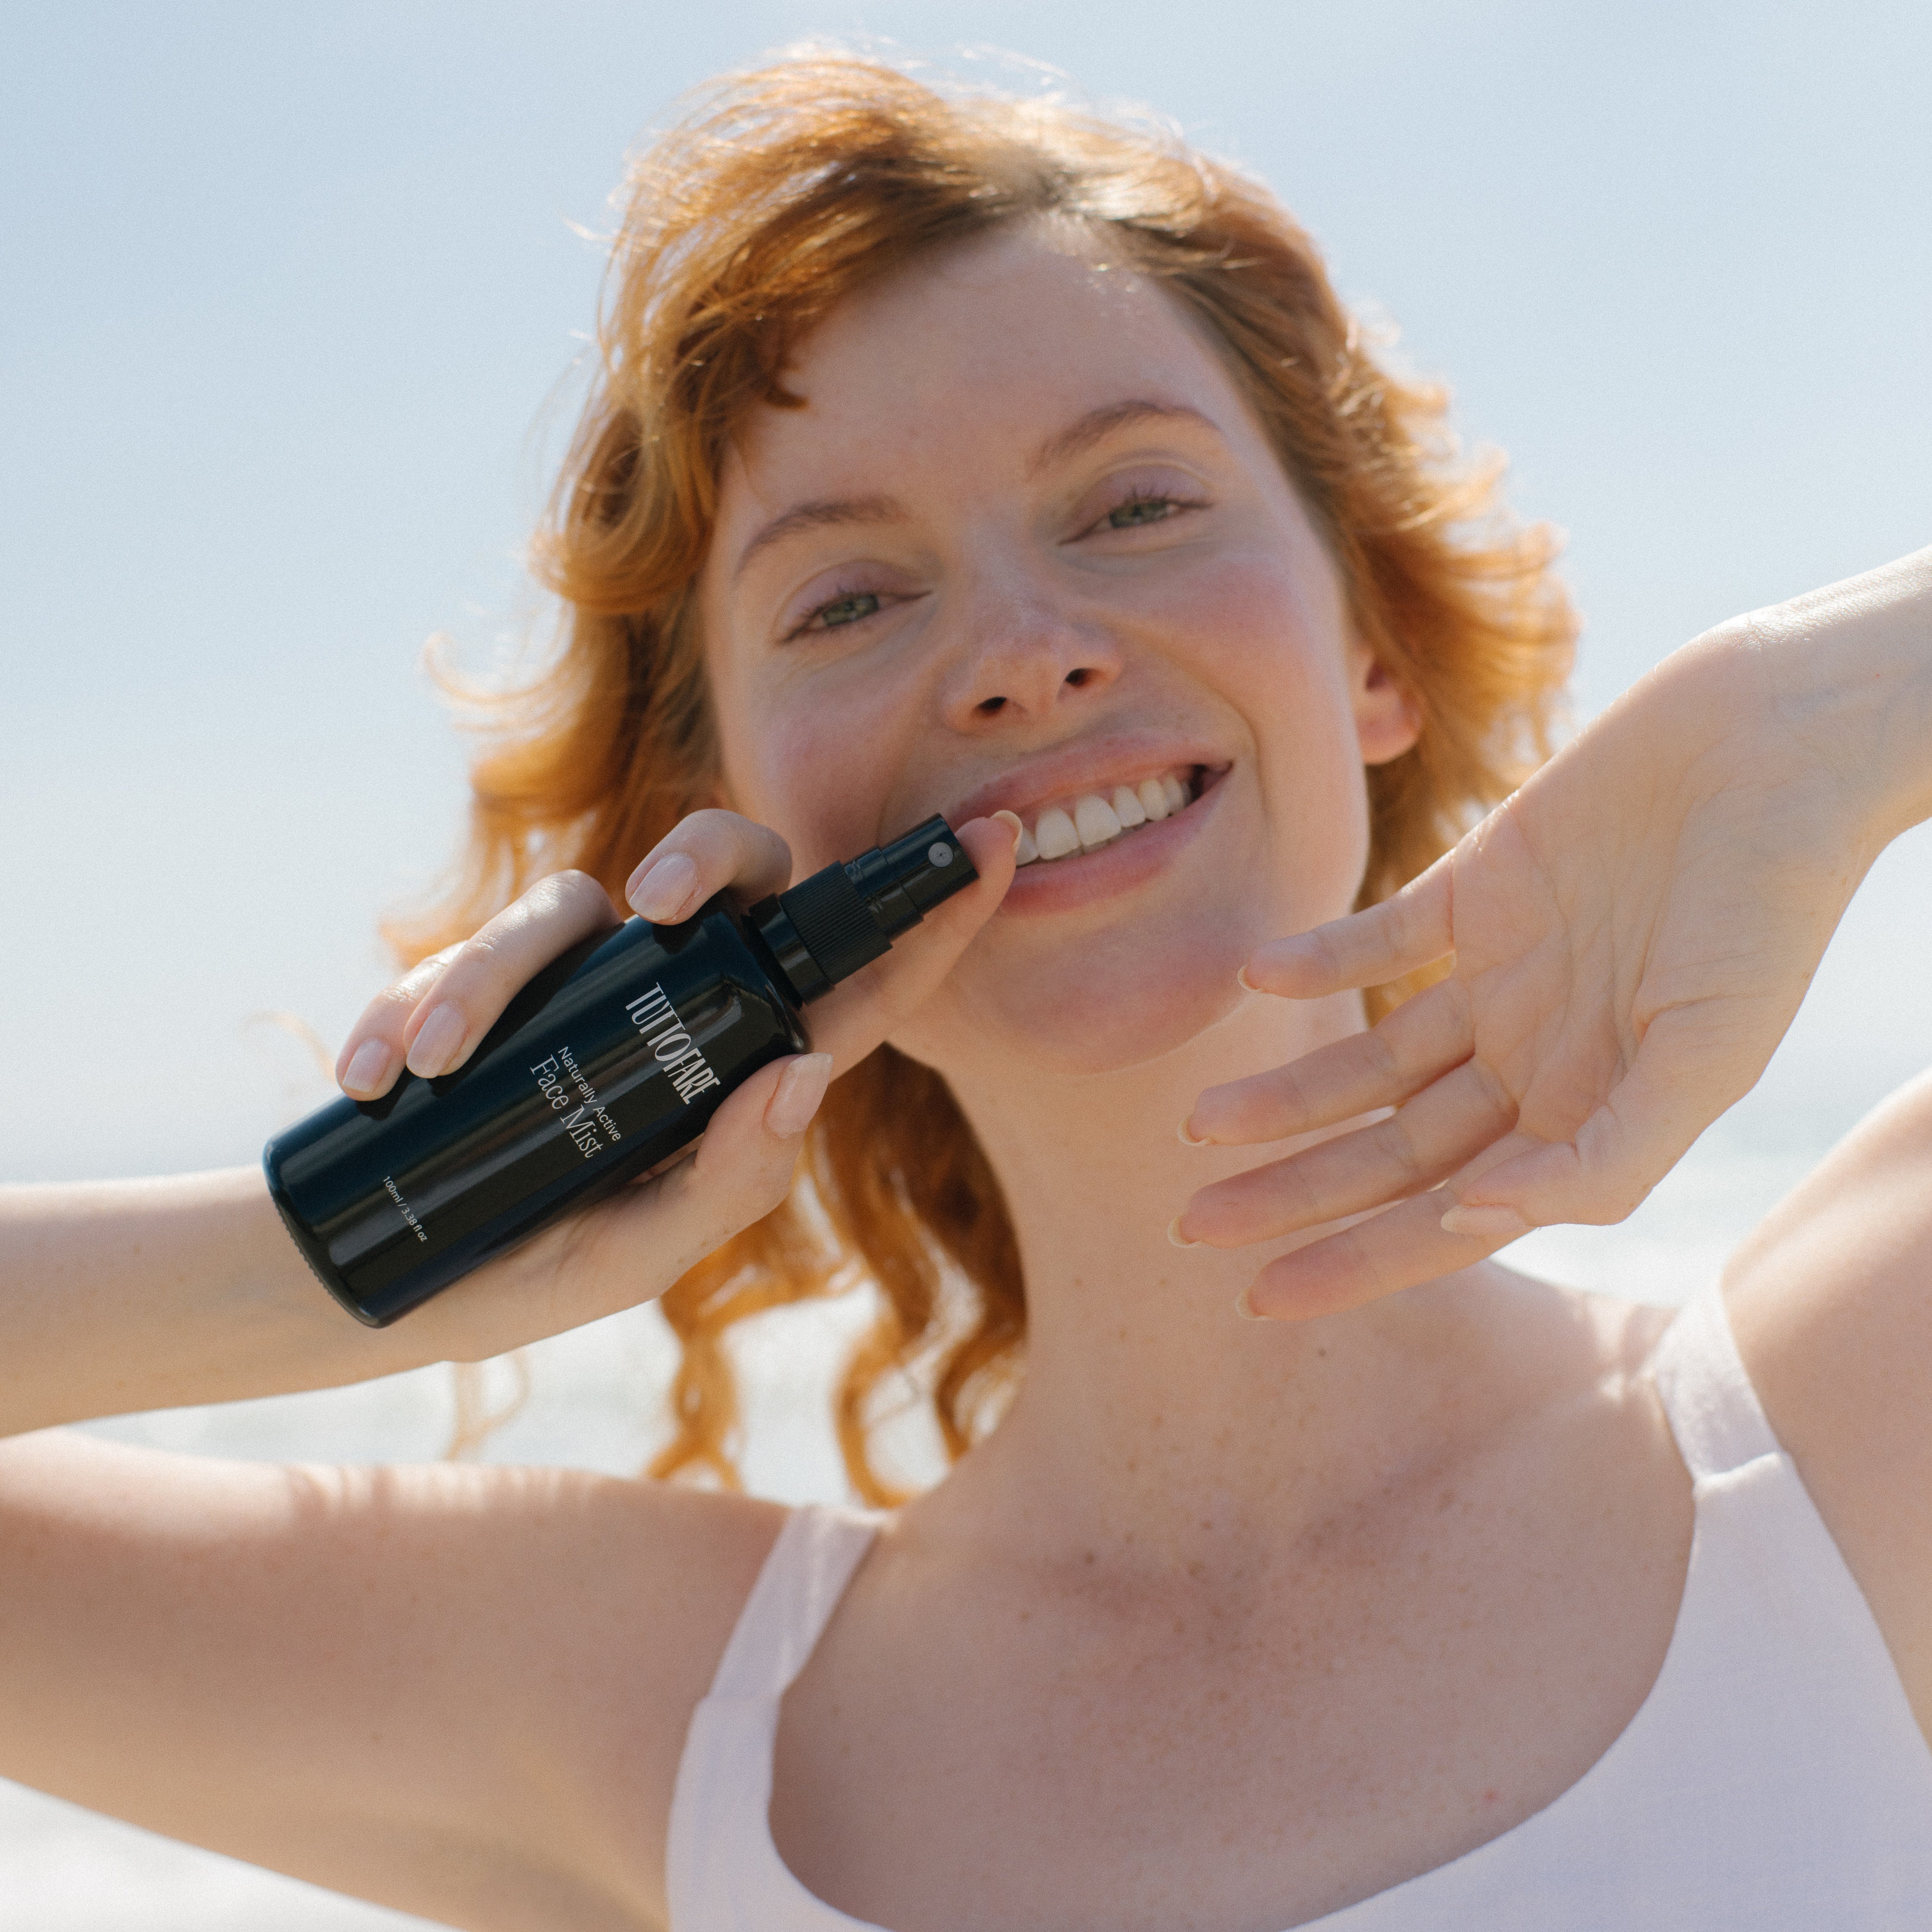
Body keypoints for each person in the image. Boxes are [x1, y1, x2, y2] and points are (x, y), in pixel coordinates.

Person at [3, 52, 1929, 1932]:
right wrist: (390, 1230)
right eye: (847, 598)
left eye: (1136, 506)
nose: (1020, 656)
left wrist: (1830, 706)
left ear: (1370, 652)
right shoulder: (673, 1718)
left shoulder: (1850, 1406)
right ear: (723, 826)